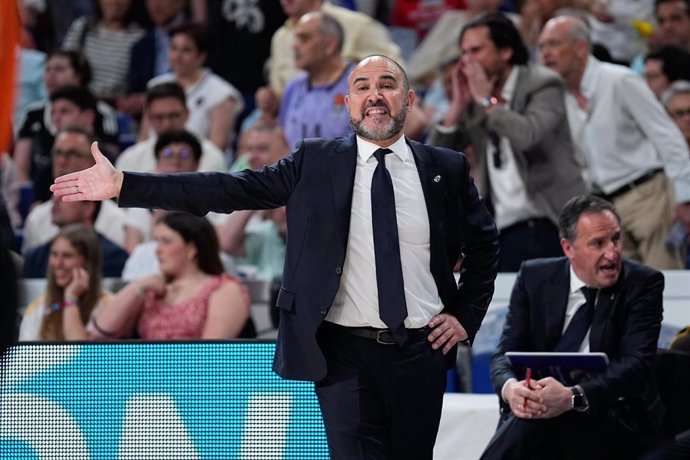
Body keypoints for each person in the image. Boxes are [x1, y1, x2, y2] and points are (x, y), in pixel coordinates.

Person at [51, 54, 500, 460]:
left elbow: (484, 246)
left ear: (408, 98)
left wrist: (464, 314)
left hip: (420, 353)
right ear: (347, 103)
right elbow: (228, 190)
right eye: (362, 86)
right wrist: (126, 185)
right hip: (343, 353)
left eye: (387, 84)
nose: (375, 95)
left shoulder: (444, 168)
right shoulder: (315, 161)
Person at [481, 195, 665, 459]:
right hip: (541, 416)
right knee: (534, 412)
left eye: (615, 239)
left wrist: (571, 397)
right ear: (568, 248)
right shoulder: (534, 278)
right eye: (598, 243)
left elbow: (636, 364)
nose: (612, 252)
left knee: (536, 419)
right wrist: (513, 390)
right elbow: (504, 355)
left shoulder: (643, 283)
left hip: (610, 414)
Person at [427, 12, 587, 272]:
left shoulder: (543, 84)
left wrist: (486, 102)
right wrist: (457, 106)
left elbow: (528, 136)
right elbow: (435, 160)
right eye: (464, 52)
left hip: (553, 221)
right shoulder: (476, 96)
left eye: (476, 50)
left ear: (505, 51)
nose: (467, 61)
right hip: (505, 230)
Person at [538, 15, 690, 270]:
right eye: (542, 47)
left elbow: (667, 136)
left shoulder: (620, 80)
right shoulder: (559, 97)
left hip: (647, 196)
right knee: (624, 297)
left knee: (664, 286)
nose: (545, 55)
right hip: (605, 207)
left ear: (580, 47)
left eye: (553, 44)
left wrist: (685, 195)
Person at [89, 212, 253, 340]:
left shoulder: (224, 289)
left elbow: (211, 354)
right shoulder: (150, 290)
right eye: (156, 241)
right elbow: (102, 331)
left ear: (192, 247)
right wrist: (137, 286)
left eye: (166, 242)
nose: (157, 250)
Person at [22, 126, 128, 253]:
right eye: (58, 153)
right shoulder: (37, 219)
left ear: (93, 161)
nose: (62, 161)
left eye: (72, 154)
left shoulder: (118, 221)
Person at [146, 23, 244, 152]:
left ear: (202, 56)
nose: (178, 56)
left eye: (186, 50)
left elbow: (218, 147)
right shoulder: (155, 86)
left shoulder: (221, 93)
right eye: (174, 48)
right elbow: (145, 137)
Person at [18, 224, 110, 341]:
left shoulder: (108, 306)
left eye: (67, 256)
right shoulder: (38, 308)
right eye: (54, 254)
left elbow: (82, 355)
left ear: (88, 262)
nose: (58, 263)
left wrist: (71, 298)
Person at [279, 12, 354, 148]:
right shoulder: (293, 88)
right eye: (296, 38)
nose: (295, 46)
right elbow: (284, 142)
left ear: (329, 45)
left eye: (304, 38)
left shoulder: (360, 84)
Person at [115, 82, 226, 173]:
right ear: (148, 118)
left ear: (187, 114)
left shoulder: (211, 155)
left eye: (173, 116)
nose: (167, 124)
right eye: (159, 117)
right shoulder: (130, 159)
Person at [61, 0, 145, 103]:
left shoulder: (140, 37)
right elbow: (62, 66)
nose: (115, 2)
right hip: (79, 103)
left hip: (116, 107)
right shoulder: (82, 28)